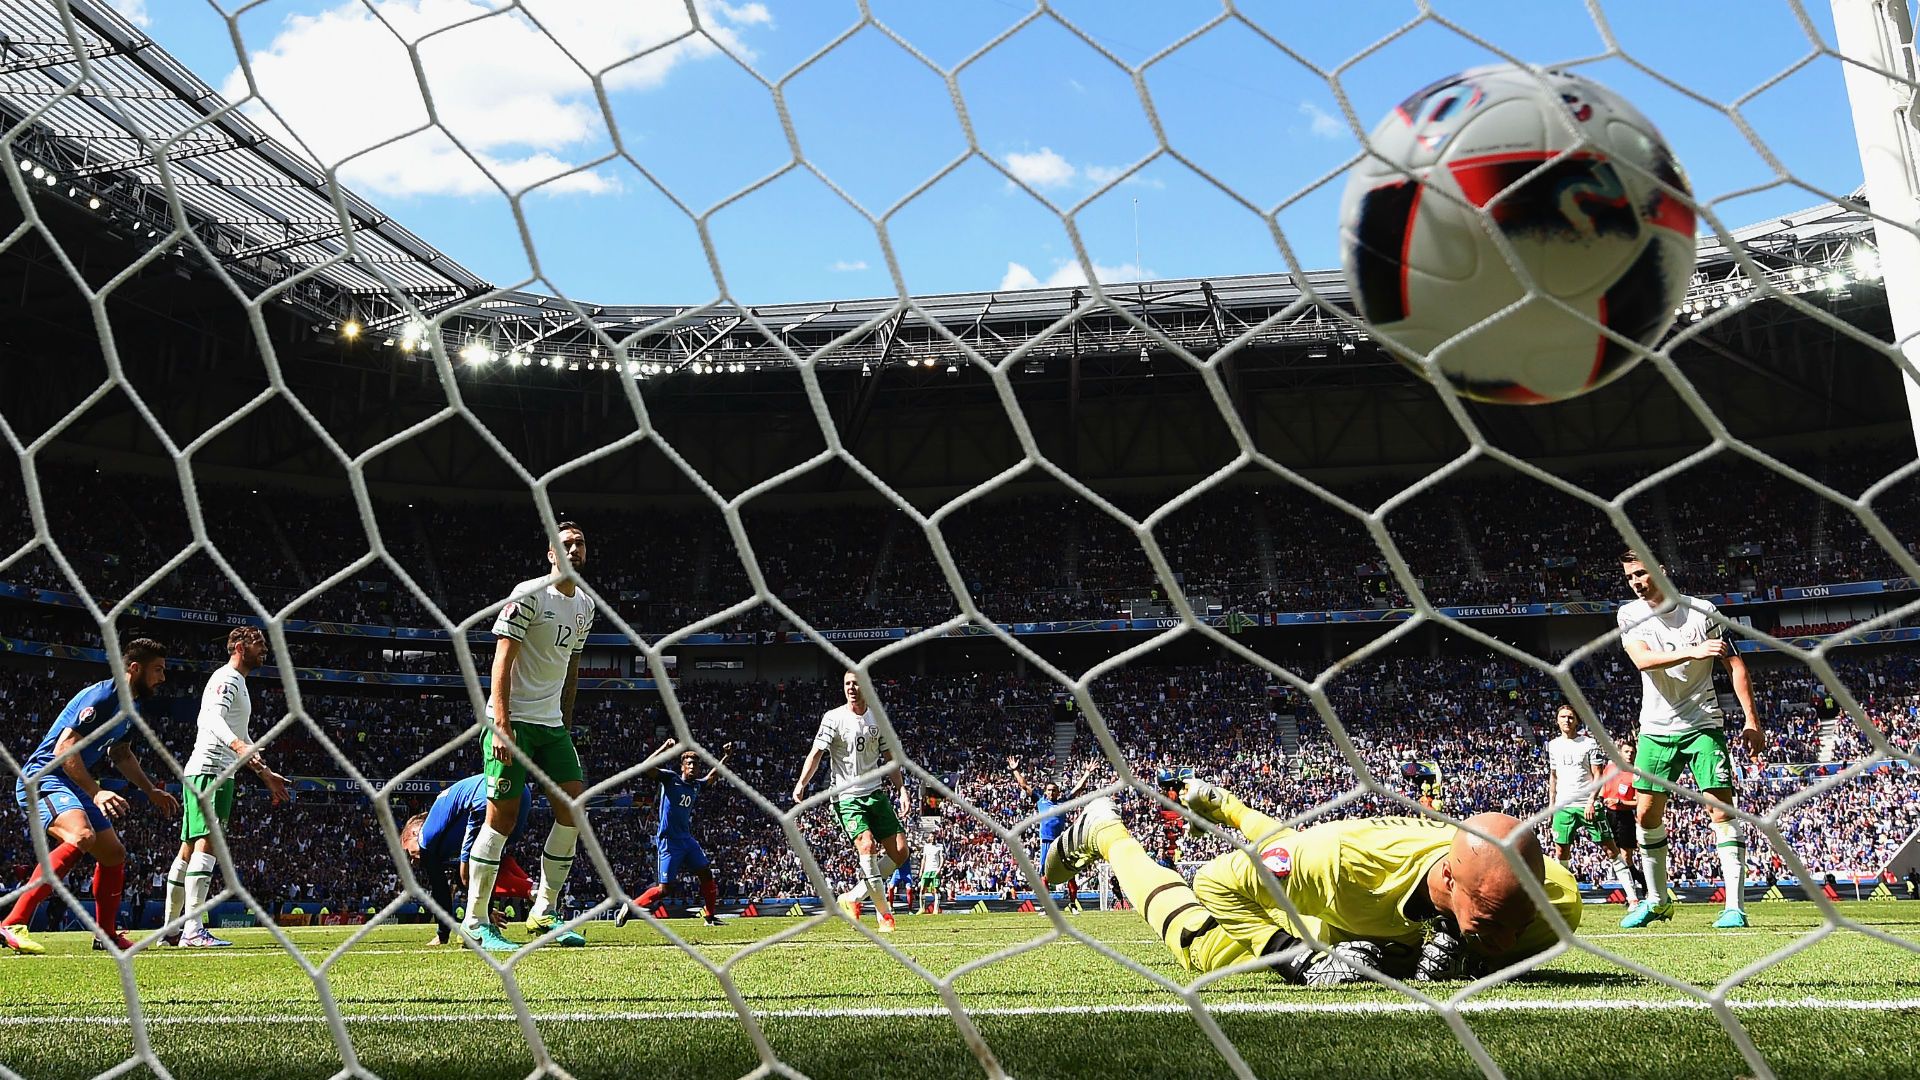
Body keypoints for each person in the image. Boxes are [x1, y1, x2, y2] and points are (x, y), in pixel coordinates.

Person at [1042, 780, 1581, 984]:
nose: (1510, 939)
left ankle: (1224, 804)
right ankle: (1106, 831)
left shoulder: (1556, 902)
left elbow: (1513, 924)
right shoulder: (1339, 864)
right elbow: (1213, 881)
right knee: (1204, 949)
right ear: (1448, 876)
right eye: (1491, 922)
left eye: (1518, 923)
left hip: (1348, 892)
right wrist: (1291, 954)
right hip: (1329, 876)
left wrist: (1476, 950)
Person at [2, 639, 181, 955]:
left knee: (113, 854)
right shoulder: (101, 697)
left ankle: (106, 935)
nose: (162, 678)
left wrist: (149, 789)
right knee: (81, 835)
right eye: (158, 670)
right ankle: (12, 922)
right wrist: (96, 792)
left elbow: (121, 753)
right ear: (134, 668)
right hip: (44, 778)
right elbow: (64, 748)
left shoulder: (131, 707)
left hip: (71, 782)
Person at [1616, 550, 1764, 930]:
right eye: (1630, 576)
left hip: (1702, 724)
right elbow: (1642, 660)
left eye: (1641, 574)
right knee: (1645, 814)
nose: (1636, 582)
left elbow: (1735, 664)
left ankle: (1735, 907)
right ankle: (1658, 900)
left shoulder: (1702, 611)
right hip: (1655, 729)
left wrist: (1751, 719)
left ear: (1661, 571)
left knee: (1720, 810)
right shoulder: (1630, 614)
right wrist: (1693, 651)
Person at [467, 521, 596, 952]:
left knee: (571, 809)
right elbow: (501, 660)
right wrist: (501, 725)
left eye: (580, 543)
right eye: (566, 544)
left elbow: (572, 668)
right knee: (501, 818)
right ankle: (474, 919)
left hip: (552, 726)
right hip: (514, 721)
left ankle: (544, 910)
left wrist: (567, 720)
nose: (574, 549)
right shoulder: (529, 594)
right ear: (551, 554)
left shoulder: (586, 607)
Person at [162, 626, 292, 948]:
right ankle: (192, 930)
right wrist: (236, 746)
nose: (265, 650)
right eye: (259, 644)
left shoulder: (239, 683)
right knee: (208, 844)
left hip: (209, 771)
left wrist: (265, 773)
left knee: (189, 848)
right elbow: (211, 720)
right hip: (212, 770)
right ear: (238, 646)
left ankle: (170, 932)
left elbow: (244, 738)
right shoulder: (227, 679)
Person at [792, 670, 908, 933]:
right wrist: (802, 783)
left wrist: (901, 790)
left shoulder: (877, 718)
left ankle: (852, 897)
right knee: (867, 846)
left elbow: (890, 758)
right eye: (847, 684)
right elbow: (816, 753)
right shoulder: (833, 718)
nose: (851, 688)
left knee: (901, 852)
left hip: (875, 794)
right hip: (846, 797)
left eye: (856, 683)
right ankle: (884, 915)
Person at [401, 774, 531, 944]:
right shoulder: (447, 830)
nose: (411, 861)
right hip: (520, 791)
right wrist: (487, 907)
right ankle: (542, 899)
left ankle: (479, 925)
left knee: (467, 874)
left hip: (487, 796)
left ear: (414, 833)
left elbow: (441, 891)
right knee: (482, 868)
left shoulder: (426, 838)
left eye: (407, 851)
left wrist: (442, 934)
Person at [617, 740, 731, 928]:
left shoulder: (696, 786)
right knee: (664, 889)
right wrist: (664, 749)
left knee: (706, 874)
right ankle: (632, 906)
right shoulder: (671, 779)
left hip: (686, 840)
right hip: (669, 842)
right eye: (689, 764)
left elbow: (713, 776)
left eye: (696, 764)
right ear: (682, 767)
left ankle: (710, 917)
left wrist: (727, 756)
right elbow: (646, 767)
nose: (693, 767)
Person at [1011, 756, 1097, 906]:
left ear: (1058, 792)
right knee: (1044, 876)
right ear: (1045, 792)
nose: (1051, 793)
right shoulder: (1040, 801)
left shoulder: (1063, 802)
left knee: (1071, 872)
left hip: (1061, 842)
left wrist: (1087, 773)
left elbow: (1078, 789)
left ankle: (1072, 903)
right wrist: (1015, 770)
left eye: (1054, 791)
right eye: (1049, 790)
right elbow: (1024, 785)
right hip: (1046, 842)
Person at [1544, 704, 1609, 873]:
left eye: (1571, 717)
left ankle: (1631, 896)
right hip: (1563, 805)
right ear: (1557, 721)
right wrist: (1551, 805)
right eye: (1563, 717)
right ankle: (1565, 893)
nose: (1567, 720)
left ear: (1577, 721)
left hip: (1586, 804)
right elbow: (1554, 776)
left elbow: (1598, 774)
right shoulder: (1553, 745)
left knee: (1609, 848)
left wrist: (1591, 801)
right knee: (1561, 851)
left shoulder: (1589, 743)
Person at [1595, 743, 1645, 905]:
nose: (1629, 754)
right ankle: (1634, 890)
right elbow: (1603, 787)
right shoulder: (1610, 768)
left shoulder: (1635, 774)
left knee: (1626, 857)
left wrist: (1620, 801)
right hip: (1609, 815)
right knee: (1613, 855)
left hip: (1625, 817)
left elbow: (1638, 802)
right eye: (1626, 751)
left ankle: (1639, 888)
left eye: (1632, 752)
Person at [920, 832, 946, 914]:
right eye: (931, 837)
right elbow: (924, 859)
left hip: (935, 870)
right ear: (929, 838)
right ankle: (922, 908)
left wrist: (939, 868)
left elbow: (942, 858)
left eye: (934, 837)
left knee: (935, 890)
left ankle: (935, 909)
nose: (933, 838)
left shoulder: (940, 846)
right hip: (927, 871)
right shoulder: (926, 847)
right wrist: (921, 870)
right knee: (922, 889)